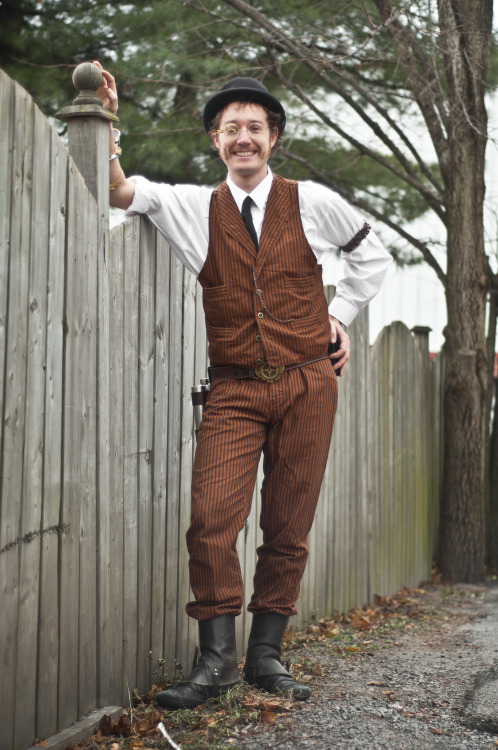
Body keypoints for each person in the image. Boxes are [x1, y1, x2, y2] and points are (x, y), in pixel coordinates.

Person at [94, 61, 392, 709]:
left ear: (273, 137)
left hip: (309, 385)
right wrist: (109, 121)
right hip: (233, 389)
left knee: (289, 524)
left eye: (254, 127)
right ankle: (215, 662)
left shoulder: (312, 200)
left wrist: (339, 317)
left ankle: (266, 656)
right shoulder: (192, 206)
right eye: (230, 129)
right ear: (215, 142)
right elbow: (118, 192)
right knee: (210, 523)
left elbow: (374, 255)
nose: (243, 138)